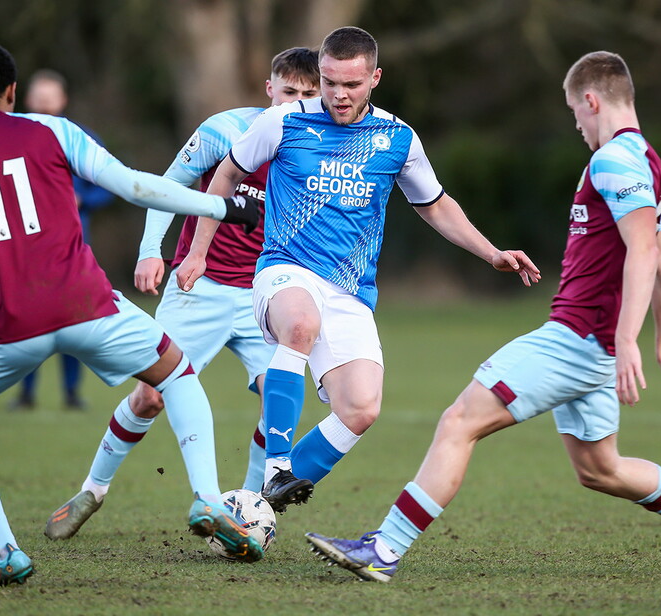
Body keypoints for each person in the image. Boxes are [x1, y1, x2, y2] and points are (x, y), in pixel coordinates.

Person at [304, 50, 661, 582]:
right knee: (600, 469)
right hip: (597, 347)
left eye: (574, 114)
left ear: (591, 100)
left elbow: (645, 255)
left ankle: (384, 551)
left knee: (458, 423)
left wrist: (633, 339)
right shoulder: (647, 162)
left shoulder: (614, 160)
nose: (577, 126)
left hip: (576, 339)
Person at [0, 42, 265, 586]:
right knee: (175, 373)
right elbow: (133, 185)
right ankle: (204, 498)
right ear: (13, 91)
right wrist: (223, 206)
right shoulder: (54, 131)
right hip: (87, 304)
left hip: (4, 323)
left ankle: (6, 550)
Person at [175, 26, 540, 514]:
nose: (338, 95)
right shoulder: (283, 122)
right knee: (300, 326)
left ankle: (258, 504)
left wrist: (491, 252)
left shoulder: (397, 138)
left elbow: (434, 204)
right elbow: (227, 174)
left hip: (350, 292)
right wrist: (199, 251)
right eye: (329, 83)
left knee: (361, 409)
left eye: (350, 84)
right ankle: (277, 467)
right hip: (286, 270)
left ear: (375, 78)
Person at [43, 47, 321, 540]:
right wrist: (153, 249)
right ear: (268, 89)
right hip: (202, 285)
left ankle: (244, 512)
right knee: (150, 395)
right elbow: (166, 184)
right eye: (289, 92)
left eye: (308, 94)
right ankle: (93, 488)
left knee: (274, 401)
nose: (296, 102)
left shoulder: (326, 146)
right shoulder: (226, 129)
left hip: (267, 293)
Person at [15, 69, 116, 410]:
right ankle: (25, 393)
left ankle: (71, 392)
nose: (43, 104)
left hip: (71, 250)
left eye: (50, 98)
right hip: (23, 248)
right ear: (27, 99)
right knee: (27, 322)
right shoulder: (12, 138)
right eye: (38, 98)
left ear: (63, 101)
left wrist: (83, 200)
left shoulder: (80, 138)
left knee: (73, 320)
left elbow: (109, 187)